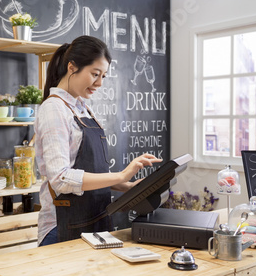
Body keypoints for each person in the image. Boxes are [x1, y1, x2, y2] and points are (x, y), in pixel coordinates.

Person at [35, 35, 162, 246]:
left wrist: (127, 186)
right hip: (64, 228)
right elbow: (60, 178)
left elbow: (89, 171)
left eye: (103, 76)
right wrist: (120, 175)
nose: (100, 83)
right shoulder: (53, 108)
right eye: (95, 74)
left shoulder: (83, 108)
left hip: (96, 222)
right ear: (72, 67)